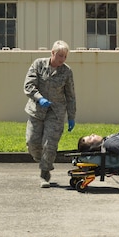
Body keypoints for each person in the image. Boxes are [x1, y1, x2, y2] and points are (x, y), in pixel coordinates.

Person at [24, 40, 76, 188]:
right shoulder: (38, 64)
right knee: (32, 142)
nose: (62, 59)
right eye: (60, 55)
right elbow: (28, 85)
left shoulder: (67, 71)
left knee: (49, 144)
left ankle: (45, 173)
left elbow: (70, 96)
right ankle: (43, 160)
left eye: (65, 56)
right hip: (36, 111)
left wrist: (71, 117)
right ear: (52, 53)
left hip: (56, 112)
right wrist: (39, 98)